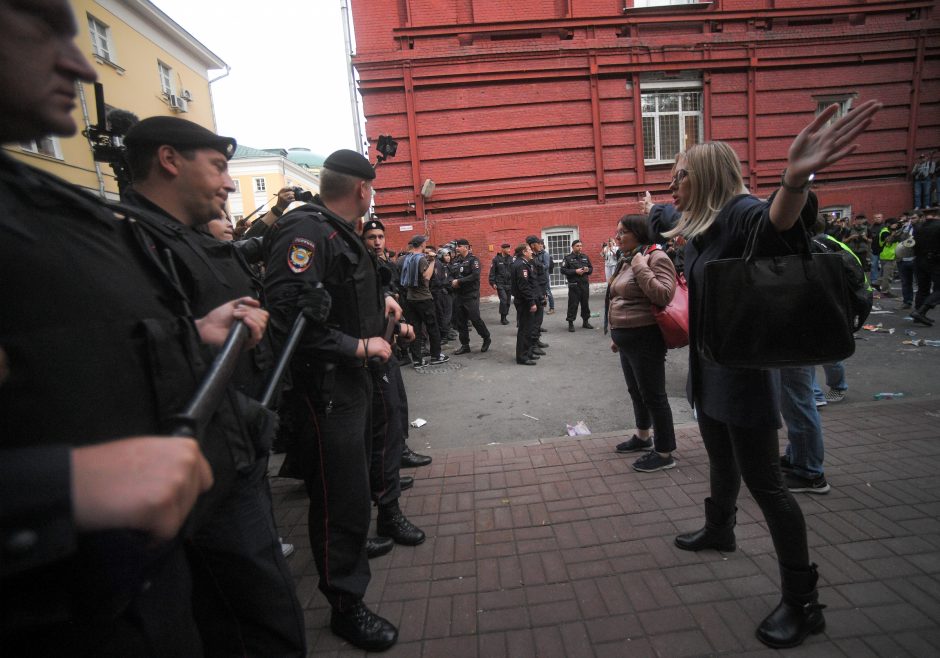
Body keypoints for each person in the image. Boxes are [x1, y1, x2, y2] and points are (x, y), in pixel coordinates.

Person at [0, 2, 265, 653]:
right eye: (41, 25)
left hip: (136, 588)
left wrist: (191, 334)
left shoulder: (43, 201)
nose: (80, 62)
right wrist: (59, 486)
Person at [664, 99, 882, 649]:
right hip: (710, 371)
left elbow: (776, 222)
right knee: (719, 459)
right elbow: (660, 224)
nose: (672, 189)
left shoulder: (738, 212)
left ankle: (803, 604)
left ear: (707, 174)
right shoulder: (705, 225)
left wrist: (795, 178)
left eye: (679, 177)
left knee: (766, 483)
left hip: (745, 377)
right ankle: (720, 529)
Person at [121, 116, 308, 656]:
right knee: (252, 617)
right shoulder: (134, 240)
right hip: (199, 465)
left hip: (234, 439)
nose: (229, 183)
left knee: (263, 603)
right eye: (221, 168)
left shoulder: (186, 239)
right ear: (169, 160)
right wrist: (194, 337)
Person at [263, 149, 400, 651]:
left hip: (351, 384)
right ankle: (345, 603)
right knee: (337, 497)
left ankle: (349, 555)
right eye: (374, 188)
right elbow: (286, 322)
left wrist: (378, 308)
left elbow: (334, 301)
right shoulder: (308, 232)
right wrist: (358, 345)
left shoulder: (335, 232)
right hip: (327, 391)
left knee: (352, 488)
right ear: (363, 189)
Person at [606, 214, 678, 472]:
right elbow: (619, 299)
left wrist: (640, 266)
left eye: (623, 231)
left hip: (646, 337)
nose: (618, 236)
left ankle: (665, 451)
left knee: (654, 395)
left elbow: (663, 295)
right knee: (636, 391)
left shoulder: (654, 257)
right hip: (627, 338)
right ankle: (643, 437)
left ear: (639, 232)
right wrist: (617, 335)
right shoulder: (627, 259)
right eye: (617, 231)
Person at [402, 235, 448, 367]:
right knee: (432, 328)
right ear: (422, 245)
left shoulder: (407, 258)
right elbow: (426, 277)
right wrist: (432, 261)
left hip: (410, 299)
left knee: (415, 329)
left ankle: (417, 360)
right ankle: (436, 356)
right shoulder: (420, 259)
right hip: (423, 299)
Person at [450, 238, 492, 354]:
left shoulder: (474, 260)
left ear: (466, 247)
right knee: (461, 321)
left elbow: (475, 275)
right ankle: (465, 345)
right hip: (458, 295)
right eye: (457, 246)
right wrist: (451, 282)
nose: (457, 248)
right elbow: (450, 275)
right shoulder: (455, 261)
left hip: (470, 294)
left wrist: (459, 281)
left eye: (459, 246)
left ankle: (486, 338)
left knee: (475, 318)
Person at [511, 243, 539, 365]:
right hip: (524, 302)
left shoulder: (522, 263)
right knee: (524, 329)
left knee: (528, 328)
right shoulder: (521, 265)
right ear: (523, 252)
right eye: (529, 250)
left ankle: (527, 352)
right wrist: (531, 302)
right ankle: (522, 357)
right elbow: (524, 286)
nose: (531, 252)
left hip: (524, 300)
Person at [912, 210, 940, 325]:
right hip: (936, 261)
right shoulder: (938, 226)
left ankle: (918, 314)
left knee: (923, 288)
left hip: (919, 260)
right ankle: (921, 312)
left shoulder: (918, 227)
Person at [561, 239, 594, 332]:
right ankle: (571, 323)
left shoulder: (585, 257)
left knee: (585, 304)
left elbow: (591, 269)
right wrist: (575, 271)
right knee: (573, 304)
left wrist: (588, 270)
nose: (580, 248)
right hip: (574, 285)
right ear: (572, 247)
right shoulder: (568, 258)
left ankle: (585, 321)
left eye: (581, 246)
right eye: (577, 246)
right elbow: (563, 270)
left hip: (584, 284)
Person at [490, 242, 514, 324]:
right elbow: (492, 272)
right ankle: (502, 318)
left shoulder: (511, 259)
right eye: (507, 248)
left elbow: (514, 271)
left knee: (508, 301)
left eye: (509, 248)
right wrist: (492, 282)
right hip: (500, 283)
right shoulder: (496, 259)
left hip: (509, 283)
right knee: (503, 299)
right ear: (502, 249)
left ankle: (505, 316)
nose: (509, 250)